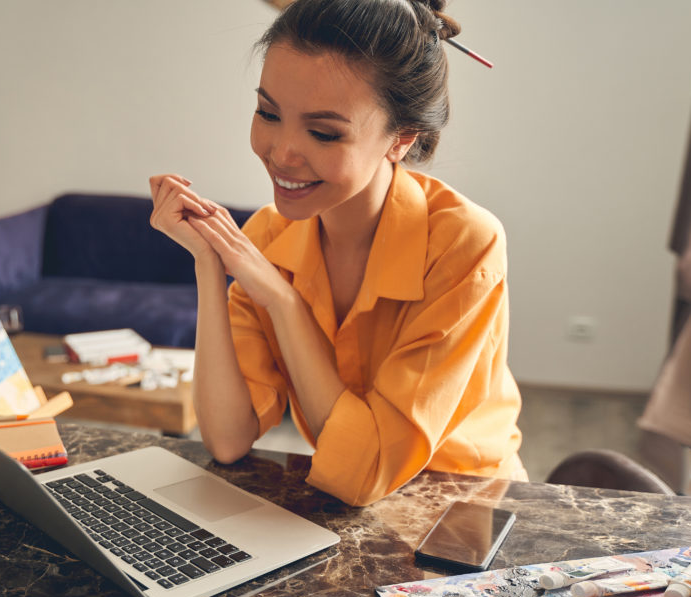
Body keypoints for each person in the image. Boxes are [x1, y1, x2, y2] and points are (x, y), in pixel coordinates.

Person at [149, 0, 526, 506]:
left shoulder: (463, 245)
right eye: (268, 113)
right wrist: (207, 264)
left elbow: (364, 473)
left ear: (401, 138)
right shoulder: (266, 237)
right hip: (343, 513)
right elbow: (228, 437)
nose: (282, 153)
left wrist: (284, 305)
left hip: (466, 507)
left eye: (324, 133)